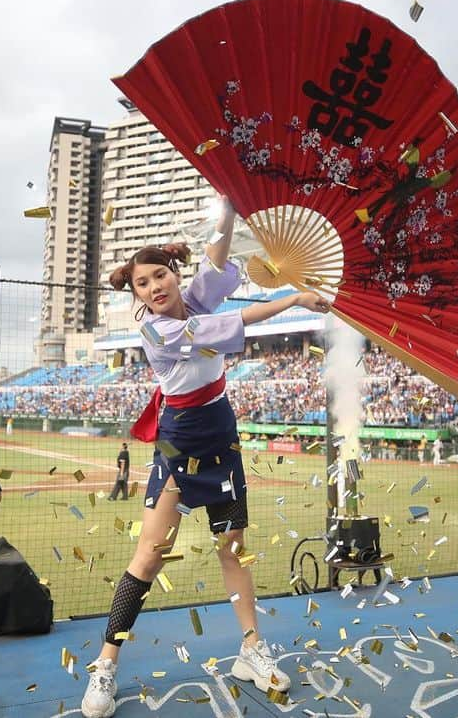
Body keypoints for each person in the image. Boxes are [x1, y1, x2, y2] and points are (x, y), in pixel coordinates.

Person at [79, 198, 331, 718]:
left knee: (234, 547)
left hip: (222, 434)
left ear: (174, 274)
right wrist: (293, 299)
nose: (154, 287)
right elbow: (238, 318)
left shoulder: (192, 298)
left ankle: (251, 650)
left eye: (161, 274)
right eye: (143, 284)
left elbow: (215, 261)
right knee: (150, 554)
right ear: (138, 296)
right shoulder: (156, 329)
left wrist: (231, 207)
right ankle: (105, 664)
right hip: (180, 443)